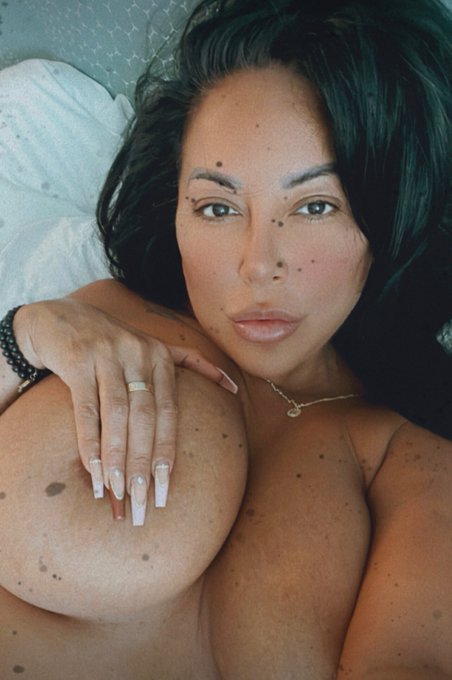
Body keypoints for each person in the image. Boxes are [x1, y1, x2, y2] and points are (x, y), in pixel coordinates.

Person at [0, 0, 451, 677]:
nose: (257, 264)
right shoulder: (102, 322)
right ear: (174, 209)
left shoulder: (409, 465)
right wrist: (20, 337)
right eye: (217, 206)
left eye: (315, 205)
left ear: (389, 220)